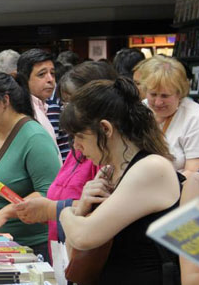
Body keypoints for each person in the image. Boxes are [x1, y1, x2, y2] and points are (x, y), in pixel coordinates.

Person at [16, 77, 181, 284]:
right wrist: (82, 208)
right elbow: (75, 250)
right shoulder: (109, 171)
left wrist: (66, 211)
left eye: (80, 137)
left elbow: (83, 236)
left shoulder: (151, 168)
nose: (76, 147)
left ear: (106, 129)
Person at [0, 70, 61, 262]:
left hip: (28, 247)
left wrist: (6, 212)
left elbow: (50, 193)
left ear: (5, 101)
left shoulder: (35, 138)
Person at [46, 61, 117, 263]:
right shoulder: (79, 148)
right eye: (65, 103)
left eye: (73, 103)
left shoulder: (105, 154)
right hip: (66, 255)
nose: (66, 110)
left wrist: (56, 210)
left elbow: (98, 215)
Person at [137, 55, 199, 178]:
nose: (157, 102)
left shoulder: (195, 117)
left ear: (180, 93)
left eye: (165, 96)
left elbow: (194, 173)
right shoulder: (142, 108)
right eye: (153, 94)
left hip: (178, 191)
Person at [17, 49, 61, 162]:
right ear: (25, 79)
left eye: (52, 73)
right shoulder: (24, 112)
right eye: (42, 74)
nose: (50, 80)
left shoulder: (43, 106)